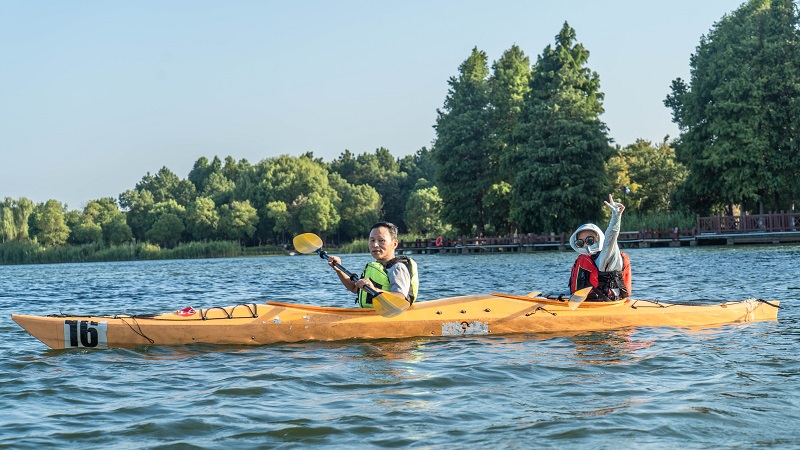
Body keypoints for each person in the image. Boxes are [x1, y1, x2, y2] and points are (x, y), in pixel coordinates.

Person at [328, 221, 418, 308]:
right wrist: (338, 269)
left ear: (394, 244)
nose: (375, 245)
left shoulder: (398, 267)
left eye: (381, 240)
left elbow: (400, 299)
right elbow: (354, 288)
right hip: (372, 314)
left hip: (390, 316)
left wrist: (374, 290)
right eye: (372, 240)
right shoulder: (376, 267)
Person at [568, 194, 632, 301]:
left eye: (589, 240)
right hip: (588, 303)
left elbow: (611, 236)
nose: (585, 245)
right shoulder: (588, 258)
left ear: (598, 238)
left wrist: (616, 217)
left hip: (606, 303)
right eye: (580, 242)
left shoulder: (607, 254)